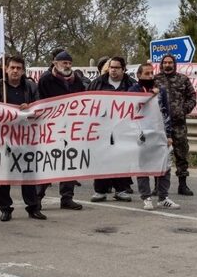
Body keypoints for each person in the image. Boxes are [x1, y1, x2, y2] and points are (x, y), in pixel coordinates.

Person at [0, 55, 44, 221]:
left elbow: (39, 109)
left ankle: (33, 207)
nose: (15, 71)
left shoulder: (31, 87)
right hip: (4, 138)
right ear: (6, 69)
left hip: (26, 137)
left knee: (28, 173)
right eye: (12, 68)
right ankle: (5, 208)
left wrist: (30, 108)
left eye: (19, 68)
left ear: (23, 71)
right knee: (5, 175)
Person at [36, 50, 85, 211]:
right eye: (64, 63)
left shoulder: (76, 80)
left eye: (70, 63)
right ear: (55, 63)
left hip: (71, 127)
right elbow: (40, 101)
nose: (67, 66)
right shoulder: (46, 80)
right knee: (49, 161)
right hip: (51, 127)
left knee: (70, 161)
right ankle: (37, 197)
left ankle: (67, 197)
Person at [130, 63, 180, 209]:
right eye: (146, 73)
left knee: (164, 165)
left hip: (159, 133)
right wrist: (150, 96)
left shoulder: (161, 91)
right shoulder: (133, 90)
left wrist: (169, 134)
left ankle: (163, 197)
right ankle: (146, 197)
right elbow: (132, 108)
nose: (150, 76)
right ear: (139, 75)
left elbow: (166, 112)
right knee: (143, 166)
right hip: (142, 134)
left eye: (152, 73)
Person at [87, 56, 137, 202]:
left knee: (121, 158)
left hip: (123, 128)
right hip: (102, 127)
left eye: (116, 68)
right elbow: (88, 100)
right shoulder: (98, 83)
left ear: (123, 69)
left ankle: (121, 189)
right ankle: (100, 190)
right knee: (102, 157)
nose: (113, 70)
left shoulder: (131, 84)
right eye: (111, 67)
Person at [155, 53, 197, 196]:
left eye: (170, 62)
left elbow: (192, 96)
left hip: (178, 124)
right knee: (159, 154)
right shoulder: (155, 80)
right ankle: (157, 186)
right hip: (160, 124)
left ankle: (183, 185)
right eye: (165, 62)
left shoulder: (183, 79)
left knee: (181, 153)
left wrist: (184, 110)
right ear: (161, 64)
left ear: (174, 64)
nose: (167, 65)